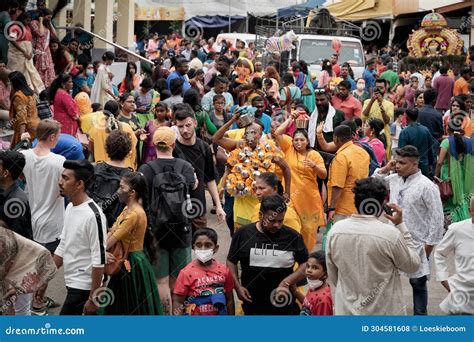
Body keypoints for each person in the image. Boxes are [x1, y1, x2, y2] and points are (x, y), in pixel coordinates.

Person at [326, 177, 421, 315]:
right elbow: (412, 265)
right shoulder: (390, 235)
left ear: (355, 202)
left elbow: (334, 276)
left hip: (346, 311)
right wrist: (401, 225)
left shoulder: (335, 231)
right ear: (383, 204)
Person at [374, 146, 444, 315]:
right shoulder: (395, 179)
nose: (397, 166)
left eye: (402, 163)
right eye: (396, 162)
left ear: (415, 164)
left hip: (417, 243)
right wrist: (384, 169)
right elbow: (372, 183)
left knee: (417, 283)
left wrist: (428, 248)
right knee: (386, 281)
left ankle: (420, 319)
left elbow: (437, 219)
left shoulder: (427, 186)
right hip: (392, 239)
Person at [138, 126, 197, 315]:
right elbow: (194, 186)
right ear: (173, 144)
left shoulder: (146, 169)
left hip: (156, 231)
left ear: (154, 144)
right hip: (182, 230)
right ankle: (179, 317)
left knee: (161, 281)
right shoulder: (185, 166)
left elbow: (139, 200)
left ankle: (165, 317)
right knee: (179, 280)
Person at [227, 194, 309, 315]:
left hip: (284, 305)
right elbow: (231, 261)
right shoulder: (243, 234)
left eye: (280, 221)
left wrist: (287, 282)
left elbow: (306, 263)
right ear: (260, 215)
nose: (277, 225)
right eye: (272, 220)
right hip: (252, 305)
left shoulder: (293, 237)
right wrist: (237, 287)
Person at [101, 171, 163, 315]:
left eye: (122, 188)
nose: (118, 191)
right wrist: (101, 250)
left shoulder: (134, 214)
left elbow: (111, 239)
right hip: (129, 260)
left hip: (131, 264)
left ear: (132, 192)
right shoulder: (127, 209)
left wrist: (100, 251)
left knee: (129, 305)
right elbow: (111, 233)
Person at [53, 160, 107, 315]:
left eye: (65, 178)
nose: (60, 182)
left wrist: (93, 298)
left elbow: (99, 260)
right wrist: (45, 278)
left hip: (83, 287)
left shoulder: (93, 215)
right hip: (71, 282)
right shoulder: (70, 207)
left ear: (79, 184)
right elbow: (63, 245)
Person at [273, 123, 326, 251]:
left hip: (308, 199)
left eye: (302, 140)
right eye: (296, 140)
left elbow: (323, 175)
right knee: (290, 225)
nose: (298, 143)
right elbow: (277, 133)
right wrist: (291, 118)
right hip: (290, 197)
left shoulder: (314, 155)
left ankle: (305, 256)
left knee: (308, 230)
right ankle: (291, 255)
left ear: (307, 141)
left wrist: (315, 166)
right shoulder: (289, 148)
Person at [172, 106, 226, 230]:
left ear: (195, 123)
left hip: (198, 207)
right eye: (180, 126)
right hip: (177, 209)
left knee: (202, 246)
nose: (184, 130)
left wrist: (218, 205)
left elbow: (210, 179)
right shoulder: (173, 149)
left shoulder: (204, 147)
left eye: (188, 125)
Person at [173, 228, 235, 315]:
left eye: (208, 245)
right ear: (193, 247)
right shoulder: (186, 273)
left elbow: (229, 299)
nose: (203, 249)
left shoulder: (224, 271)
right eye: (198, 245)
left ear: (216, 248)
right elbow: (178, 302)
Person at [0, 225, 56, 316]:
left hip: (17, 277)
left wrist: (21, 287)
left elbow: (45, 257)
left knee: (20, 312)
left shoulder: (6, 236)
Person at [434, 197, 474, 315]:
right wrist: (443, 279)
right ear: (469, 210)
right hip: (461, 299)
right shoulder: (457, 229)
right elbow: (440, 253)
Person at [327, 125, 370, 222]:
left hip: (344, 208)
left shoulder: (341, 157)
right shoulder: (363, 152)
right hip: (360, 204)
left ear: (336, 138)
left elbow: (338, 185)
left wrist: (332, 208)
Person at [434, 119, 474, 223]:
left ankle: (453, 221)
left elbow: (439, 162)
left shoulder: (446, 142)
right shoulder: (468, 141)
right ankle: (465, 218)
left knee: (450, 196)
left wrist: (435, 175)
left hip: (448, 173)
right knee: (462, 196)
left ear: (448, 129)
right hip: (463, 173)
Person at [88, 100, 138, 170]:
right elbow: (133, 149)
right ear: (118, 112)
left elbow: (90, 148)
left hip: (103, 170)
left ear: (104, 112)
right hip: (124, 168)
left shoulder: (96, 128)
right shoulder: (127, 127)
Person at [7, 13, 45, 95]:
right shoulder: (15, 27)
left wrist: (30, 51)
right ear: (22, 19)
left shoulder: (27, 27)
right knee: (19, 72)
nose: (28, 22)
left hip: (28, 53)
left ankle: (34, 92)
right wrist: (23, 51)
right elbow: (12, 40)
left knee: (30, 71)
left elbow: (30, 40)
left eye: (29, 20)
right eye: (27, 20)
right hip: (17, 54)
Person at [291, 251, 333, 315]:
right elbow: (309, 305)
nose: (309, 270)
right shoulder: (314, 287)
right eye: (308, 266)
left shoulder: (323, 300)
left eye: (315, 267)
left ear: (326, 274)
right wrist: (295, 292)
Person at [362, 78, 394, 157]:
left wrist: (380, 104)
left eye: (381, 88)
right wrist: (371, 101)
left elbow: (387, 121)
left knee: (384, 158)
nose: (378, 90)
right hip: (369, 134)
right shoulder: (367, 102)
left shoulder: (389, 104)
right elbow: (363, 117)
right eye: (377, 88)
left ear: (385, 89)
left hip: (384, 135)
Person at [8, 71, 40, 147]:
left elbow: (22, 119)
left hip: (26, 130)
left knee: (21, 152)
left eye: (10, 82)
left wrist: (22, 137)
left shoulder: (19, 96)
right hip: (36, 126)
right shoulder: (30, 93)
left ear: (13, 83)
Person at [30, 8, 56, 88]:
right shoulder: (34, 23)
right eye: (48, 17)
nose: (49, 19)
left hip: (46, 53)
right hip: (38, 52)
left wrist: (50, 23)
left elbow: (54, 35)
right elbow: (40, 33)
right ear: (42, 16)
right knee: (39, 74)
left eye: (50, 18)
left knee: (49, 74)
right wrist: (41, 20)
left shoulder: (47, 25)